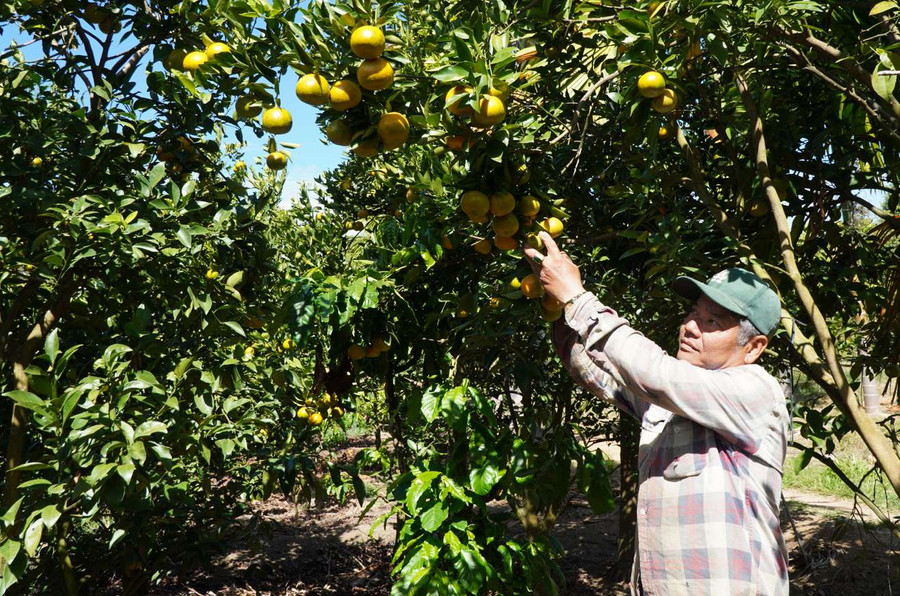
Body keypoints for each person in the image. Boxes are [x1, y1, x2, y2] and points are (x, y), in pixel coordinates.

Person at [523, 231, 790, 596]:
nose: (690, 327)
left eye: (712, 322)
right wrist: (557, 306)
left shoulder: (756, 392)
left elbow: (657, 373)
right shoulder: (671, 401)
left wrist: (578, 298)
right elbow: (600, 374)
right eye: (693, 313)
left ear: (754, 347)